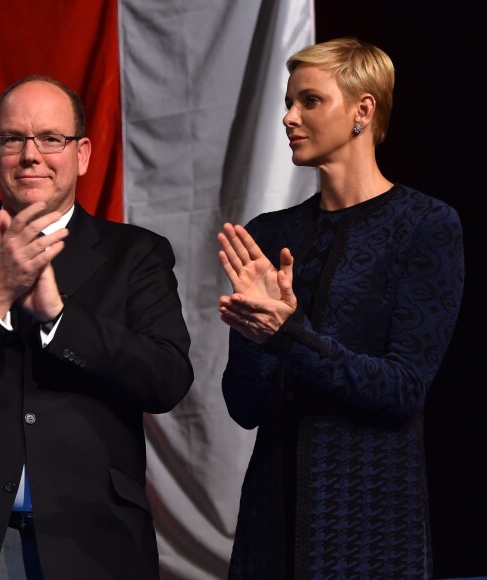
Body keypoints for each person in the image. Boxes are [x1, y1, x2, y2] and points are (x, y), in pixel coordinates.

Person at [0, 74, 193, 579]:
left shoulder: (136, 253)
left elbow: (166, 378)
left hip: (95, 539)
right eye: (13, 138)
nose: (30, 154)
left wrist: (59, 319)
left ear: (81, 153)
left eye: (50, 139)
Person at [216, 37, 464, 579]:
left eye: (309, 101)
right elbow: (243, 406)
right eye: (288, 102)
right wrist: (258, 339)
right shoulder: (271, 233)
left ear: (363, 109)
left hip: (370, 520)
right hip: (270, 515)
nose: (288, 117)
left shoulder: (424, 225)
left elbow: (401, 392)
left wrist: (288, 334)